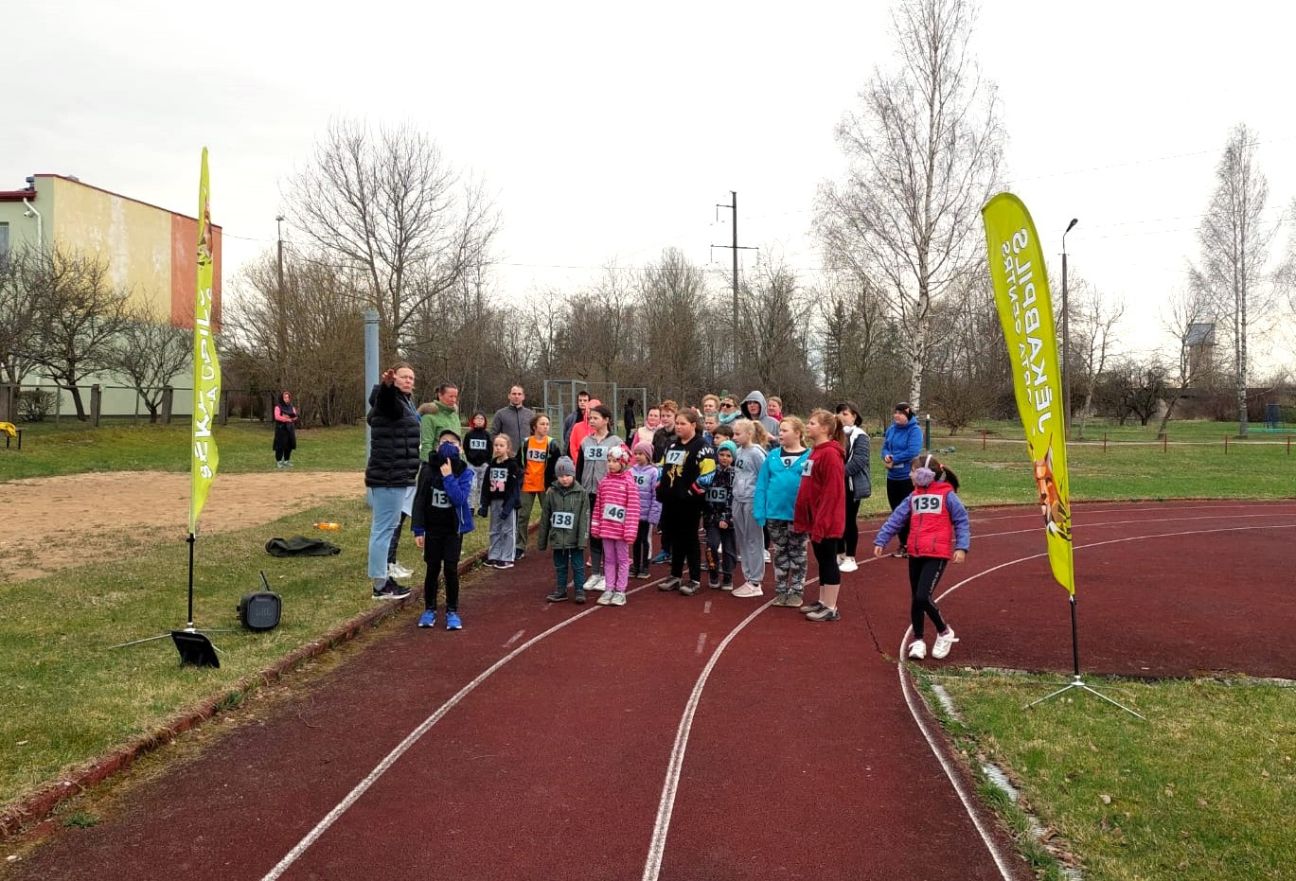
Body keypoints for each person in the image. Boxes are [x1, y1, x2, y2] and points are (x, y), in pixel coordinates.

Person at [873, 453, 969, 660]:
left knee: (922, 596)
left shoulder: (947, 495)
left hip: (937, 554)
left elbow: (961, 521)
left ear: (926, 474)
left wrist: (962, 547)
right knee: (915, 599)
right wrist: (882, 539)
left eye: (913, 471)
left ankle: (944, 631)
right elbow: (896, 518)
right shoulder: (913, 496)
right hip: (915, 552)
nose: (910, 474)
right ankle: (918, 640)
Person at [411, 428, 475, 631]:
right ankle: (429, 608)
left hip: (453, 529)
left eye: (454, 442)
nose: (448, 445)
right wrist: (418, 529)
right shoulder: (428, 470)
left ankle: (452, 611)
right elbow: (419, 500)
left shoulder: (465, 472)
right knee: (432, 568)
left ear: (461, 449)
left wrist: (448, 477)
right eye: (444, 441)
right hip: (433, 528)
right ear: (437, 447)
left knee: (450, 568)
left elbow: (458, 499)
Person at [365, 364, 420, 599]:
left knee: (387, 527)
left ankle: (384, 578)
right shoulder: (388, 401)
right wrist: (386, 386)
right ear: (393, 378)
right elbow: (386, 401)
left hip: (398, 474)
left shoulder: (405, 402)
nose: (408, 381)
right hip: (388, 475)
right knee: (383, 530)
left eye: (411, 378)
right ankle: (380, 585)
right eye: (403, 377)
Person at [795, 410, 848, 622]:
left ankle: (831, 607)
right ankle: (823, 600)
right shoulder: (816, 451)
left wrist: (823, 521)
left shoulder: (831, 454)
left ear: (825, 429)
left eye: (812, 423)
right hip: (815, 516)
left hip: (827, 519)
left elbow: (833, 492)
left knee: (828, 561)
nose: (807, 426)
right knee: (822, 560)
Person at [657, 408, 715, 596]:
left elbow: (708, 474)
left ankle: (694, 579)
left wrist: (690, 492)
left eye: (683, 423)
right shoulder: (672, 445)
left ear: (693, 425)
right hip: (670, 500)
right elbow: (662, 467)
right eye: (678, 423)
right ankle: (675, 575)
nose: (679, 427)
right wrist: (660, 486)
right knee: (674, 537)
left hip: (690, 502)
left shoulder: (702, 446)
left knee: (690, 539)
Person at [755, 417, 810, 607]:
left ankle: (796, 590)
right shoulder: (772, 456)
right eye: (780, 430)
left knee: (797, 553)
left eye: (785, 430)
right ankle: (780, 590)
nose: (780, 434)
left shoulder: (809, 456)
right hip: (774, 514)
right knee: (780, 552)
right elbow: (762, 484)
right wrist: (760, 510)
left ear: (798, 433)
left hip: (798, 516)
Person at [575, 404, 624, 591]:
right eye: (590, 418)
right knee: (594, 533)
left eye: (595, 417)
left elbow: (623, 467)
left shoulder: (616, 442)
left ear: (606, 420)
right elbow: (579, 468)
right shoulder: (585, 442)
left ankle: (607, 574)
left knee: (608, 534)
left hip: (609, 495)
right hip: (589, 493)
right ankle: (595, 573)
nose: (591, 421)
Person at [592, 445, 640, 606]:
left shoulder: (629, 483)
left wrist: (630, 531)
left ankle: (620, 591)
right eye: (609, 461)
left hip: (622, 532)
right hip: (606, 530)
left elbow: (633, 509)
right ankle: (608, 588)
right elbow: (598, 507)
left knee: (623, 560)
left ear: (623, 463)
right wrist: (596, 526)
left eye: (614, 461)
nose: (611, 464)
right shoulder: (604, 483)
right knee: (609, 560)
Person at [538, 457, 591, 604]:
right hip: (558, 537)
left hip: (574, 538)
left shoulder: (581, 493)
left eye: (567, 475)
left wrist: (582, 540)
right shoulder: (551, 493)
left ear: (573, 475)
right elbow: (545, 517)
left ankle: (580, 590)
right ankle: (561, 590)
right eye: (561, 476)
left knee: (578, 565)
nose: (564, 479)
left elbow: (584, 518)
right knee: (560, 565)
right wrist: (542, 541)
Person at [730, 417, 768, 597]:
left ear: (749, 434)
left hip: (751, 500)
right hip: (738, 499)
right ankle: (748, 577)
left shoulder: (756, 453)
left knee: (753, 539)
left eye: (738, 434)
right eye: (734, 434)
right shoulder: (738, 451)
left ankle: (755, 581)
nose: (735, 437)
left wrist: (761, 502)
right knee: (743, 539)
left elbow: (764, 476)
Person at [516, 413, 562, 560]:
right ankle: (519, 546)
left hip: (545, 485)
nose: (545, 427)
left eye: (547, 424)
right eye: (542, 424)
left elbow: (557, 465)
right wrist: (520, 478)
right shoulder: (526, 443)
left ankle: (557, 544)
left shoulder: (552, 444)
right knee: (523, 516)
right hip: (527, 484)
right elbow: (518, 462)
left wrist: (553, 484)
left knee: (551, 514)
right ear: (534, 426)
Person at [881, 402, 924, 556]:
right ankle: (903, 543)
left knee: (909, 511)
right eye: (895, 412)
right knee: (896, 512)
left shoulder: (915, 430)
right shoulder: (892, 429)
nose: (896, 416)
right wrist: (886, 456)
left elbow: (913, 451)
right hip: (892, 477)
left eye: (900, 413)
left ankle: (912, 543)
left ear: (908, 414)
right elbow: (885, 446)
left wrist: (895, 458)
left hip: (907, 477)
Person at [835, 401, 872, 572]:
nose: (841, 416)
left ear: (854, 416)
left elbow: (860, 460)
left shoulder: (860, 436)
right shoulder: (834, 435)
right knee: (836, 519)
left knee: (849, 519)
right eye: (839, 413)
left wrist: (838, 473)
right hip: (835, 485)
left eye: (845, 413)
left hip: (851, 485)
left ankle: (850, 556)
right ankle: (839, 552)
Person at [478, 434, 521, 569]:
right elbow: (485, 486)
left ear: (508, 448)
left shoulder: (513, 465)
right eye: (496, 445)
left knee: (508, 530)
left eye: (501, 446)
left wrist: (508, 507)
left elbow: (514, 489)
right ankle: (494, 554)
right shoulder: (490, 466)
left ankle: (507, 557)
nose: (498, 448)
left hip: (507, 502)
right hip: (494, 501)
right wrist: (484, 505)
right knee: (494, 529)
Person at [703, 440, 739, 590]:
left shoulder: (734, 474)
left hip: (728, 519)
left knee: (729, 548)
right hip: (711, 517)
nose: (724, 458)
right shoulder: (711, 472)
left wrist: (726, 517)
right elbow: (704, 492)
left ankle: (728, 575)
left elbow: (733, 496)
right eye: (722, 454)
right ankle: (713, 572)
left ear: (733, 457)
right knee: (711, 545)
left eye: (728, 455)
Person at [629, 442, 661, 578]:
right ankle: (635, 565)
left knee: (645, 539)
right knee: (635, 540)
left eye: (640, 454)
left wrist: (654, 515)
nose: (637, 456)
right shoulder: (631, 471)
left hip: (646, 514)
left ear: (648, 455)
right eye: (635, 453)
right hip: (633, 514)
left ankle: (645, 565)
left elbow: (656, 495)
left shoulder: (654, 472)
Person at [418, 383, 461, 463]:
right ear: (440, 395)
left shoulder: (454, 415)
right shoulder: (429, 416)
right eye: (450, 396)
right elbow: (426, 444)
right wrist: (428, 464)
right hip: (436, 464)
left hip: (454, 464)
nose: (454, 400)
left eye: (455, 397)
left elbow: (458, 442)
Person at [491, 384, 536, 457]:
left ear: (523, 397)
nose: (516, 396)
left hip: (527, 456)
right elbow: (493, 435)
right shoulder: (500, 414)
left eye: (519, 394)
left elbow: (536, 434)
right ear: (509, 396)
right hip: (508, 457)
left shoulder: (530, 414)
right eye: (514, 394)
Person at [462, 412, 492, 512]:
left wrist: (487, 462)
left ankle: (481, 506)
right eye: (477, 418)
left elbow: (490, 449)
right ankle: (470, 506)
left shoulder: (487, 435)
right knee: (472, 486)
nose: (479, 420)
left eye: (481, 419)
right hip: (471, 464)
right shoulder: (469, 434)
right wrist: (469, 459)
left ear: (485, 421)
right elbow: (465, 448)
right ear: (473, 420)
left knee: (482, 486)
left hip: (484, 464)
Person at [272, 390, 298, 468]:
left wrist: (291, 418)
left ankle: (286, 461)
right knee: (280, 445)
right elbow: (277, 417)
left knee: (289, 445)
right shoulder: (278, 407)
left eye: (288, 397)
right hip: (281, 429)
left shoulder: (291, 407)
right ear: (281, 398)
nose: (287, 399)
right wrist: (286, 419)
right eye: (285, 397)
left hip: (290, 428)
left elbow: (295, 416)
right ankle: (279, 461)